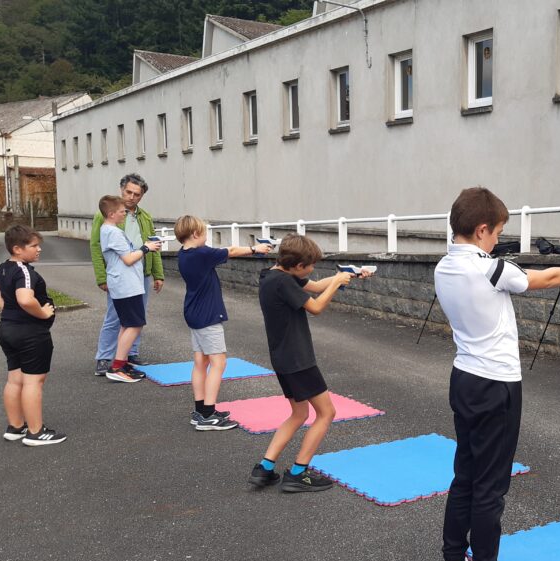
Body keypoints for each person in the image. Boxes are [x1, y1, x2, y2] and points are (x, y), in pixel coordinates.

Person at [431, 187, 560, 561]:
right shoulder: (487, 268)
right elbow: (535, 279)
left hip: (465, 379)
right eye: (497, 233)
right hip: (496, 387)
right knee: (490, 487)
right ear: (482, 229)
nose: (498, 241)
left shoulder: (444, 265)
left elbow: (518, 274)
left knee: (466, 479)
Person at [248, 233, 371, 492]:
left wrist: (348, 276)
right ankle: (298, 472)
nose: (312, 269)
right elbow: (315, 306)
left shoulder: (273, 276)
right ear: (296, 266)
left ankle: (265, 468)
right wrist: (336, 283)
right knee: (327, 413)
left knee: (299, 413)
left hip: (283, 358)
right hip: (299, 360)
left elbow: (313, 286)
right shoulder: (285, 283)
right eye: (309, 265)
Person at [174, 215, 273, 431]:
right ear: (195, 234)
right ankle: (208, 414)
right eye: (205, 233)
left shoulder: (184, 254)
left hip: (194, 313)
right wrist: (256, 249)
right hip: (207, 315)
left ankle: (201, 411)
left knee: (201, 362)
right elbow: (232, 251)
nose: (207, 238)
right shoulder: (201, 253)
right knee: (219, 362)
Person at [0, 225, 66, 446]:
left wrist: (5, 308)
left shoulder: (3, 268)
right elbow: (25, 299)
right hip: (29, 333)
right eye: (34, 246)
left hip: (7, 330)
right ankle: (36, 432)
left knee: (15, 379)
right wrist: (43, 313)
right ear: (17, 249)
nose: (39, 249)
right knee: (34, 381)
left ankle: (16, 427)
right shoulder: (24, 271)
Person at [90, 174, 163, 376]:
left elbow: (152, 243)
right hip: (121, 274)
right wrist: (101, 277)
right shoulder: (108, 216)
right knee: (116, 318)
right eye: (128, 192)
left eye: (136, 194)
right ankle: (105, 357)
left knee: (136, 316)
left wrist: (158, 274)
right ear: (122, 190)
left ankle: (130, 355)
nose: (131, 197)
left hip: (141, 272)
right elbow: (95, 246)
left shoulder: (144, 216)